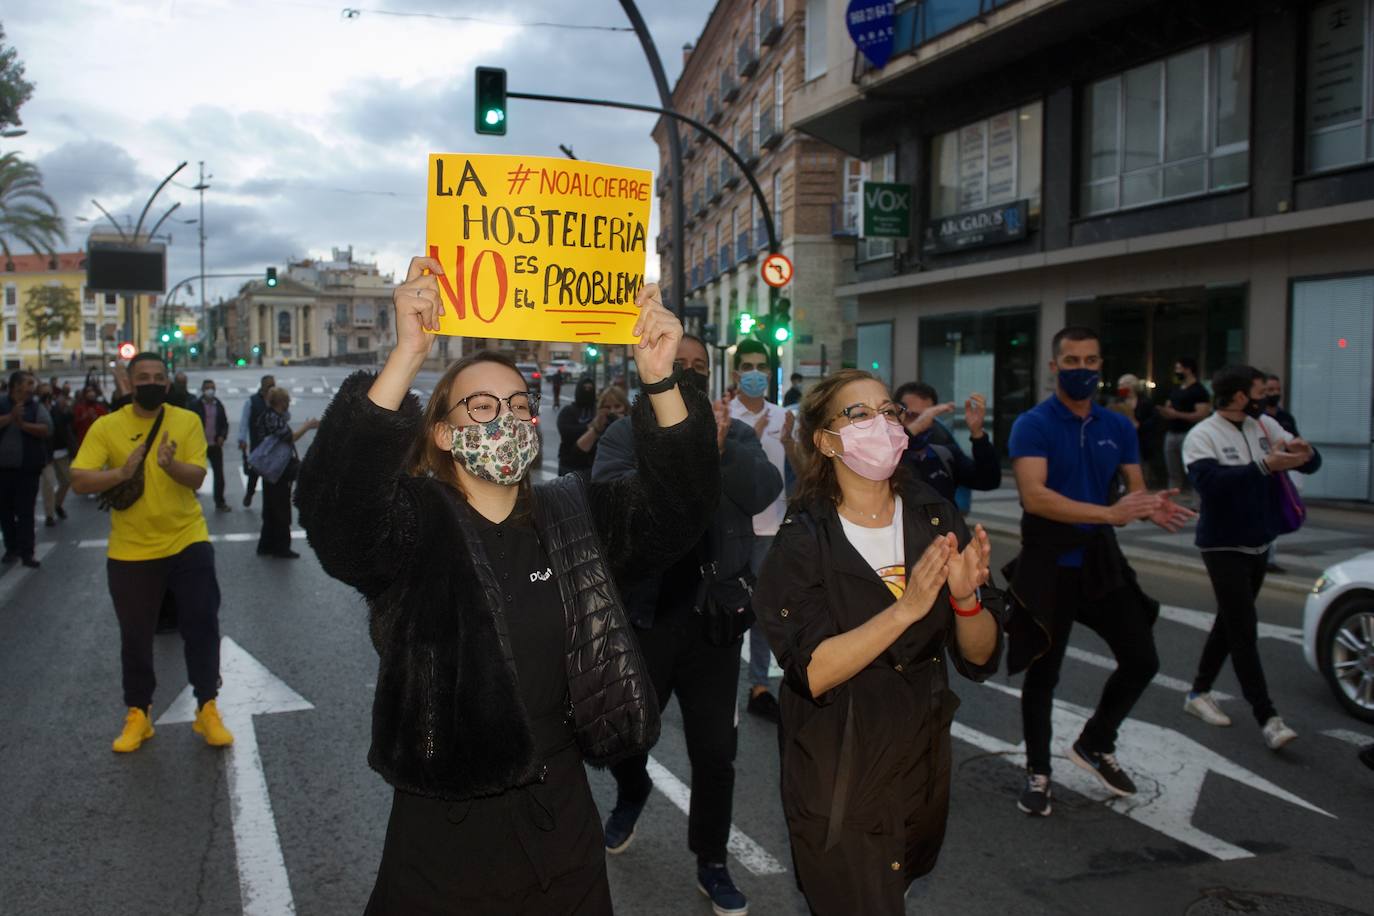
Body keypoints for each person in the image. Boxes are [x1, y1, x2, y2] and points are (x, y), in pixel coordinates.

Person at [295, 265, 717, 915]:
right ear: (442, 432)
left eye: (519, 405)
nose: (507, 418)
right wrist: (407, 354)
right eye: (483, 406)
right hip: (441, 833)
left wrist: (659, 379)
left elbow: (678, 511)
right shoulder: (411, 529)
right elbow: (335, 514)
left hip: (561, 820)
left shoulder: (576, 519)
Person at [752, 368, 1001, 915]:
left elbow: (980, 656)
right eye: (859, 415)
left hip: (920, 766)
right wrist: (906, 609)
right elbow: (812, 670)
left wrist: (965, 601)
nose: (881, 424)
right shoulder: (803, 539)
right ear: (826, 440)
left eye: (889, 412)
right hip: (839, 773)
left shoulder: (935, 515)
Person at [594, 333, 781, 916]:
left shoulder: (739, 435)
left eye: (698, 367)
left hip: (714, 622)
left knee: (715, 752)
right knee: (628, 735)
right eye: (677, 366)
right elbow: (612, 501)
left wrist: (718, 449)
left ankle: (712, 860)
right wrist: (683, 451)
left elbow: (764, 492)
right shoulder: (626, 432)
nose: (688, 374)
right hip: (645, 617)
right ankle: (632, 791)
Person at [1005, 326, 1193, 817]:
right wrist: (1110, 513)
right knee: (1043, 673)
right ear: (1054, 366)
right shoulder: (1033, 424)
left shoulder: (1118, 427)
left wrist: (1152, 505)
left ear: (1100, 364)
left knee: (1142, 657)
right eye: (1072, 361)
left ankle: (1094, 742)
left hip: (1099, 561)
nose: (1082, 370)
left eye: (1090, 361)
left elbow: (1135, 485)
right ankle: (1038, 773)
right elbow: (1035, 496)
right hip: (1048, 562)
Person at [68, 351, 233, 753]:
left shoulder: (186, 420)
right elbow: (79, 479)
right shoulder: (108, 426)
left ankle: (206, 707)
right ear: (129, 380)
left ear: (168, 382)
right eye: (143, 376)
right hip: (131, 551)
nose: (152, 383)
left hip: (186, 539)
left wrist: (170, 465)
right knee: (136, 636)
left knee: (201, 623)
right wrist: (121, 473)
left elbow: (197, 476)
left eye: (159, 376)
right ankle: (138, 713)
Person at [1180, 366, 1321, 749]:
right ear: (1241, 395)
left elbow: (1307, 460)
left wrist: (1305, 454)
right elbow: (1209, 484)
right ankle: (1267, 716)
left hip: (1259, 541)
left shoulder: (1265, 427)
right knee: (1243, 627)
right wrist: (1263, 466)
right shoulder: (1202, 436)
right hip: (1222, 544)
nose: (1267, 396)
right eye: (1260, 390)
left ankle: (1198, 693)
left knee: (1229, 620)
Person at [728, 339, 796, 723]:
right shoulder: (725, 415)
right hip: (734, 531)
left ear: (770, 372)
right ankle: (722, 682)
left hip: (773, 528)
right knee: (732, 607)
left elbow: (797, 473)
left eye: (762, 367)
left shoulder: (784, 416)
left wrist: (789, 442)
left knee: (765, 611)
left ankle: (759, 686)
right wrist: (747, 440)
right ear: (737, 373)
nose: (756, 374)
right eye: (748, 367)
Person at [893, 381, 1001, 506]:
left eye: (927, 416)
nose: (922, 421)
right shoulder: (887, 455)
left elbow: (989, 481)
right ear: (896, 413)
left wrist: (978, 434)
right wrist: (915, 428)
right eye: (911, 415)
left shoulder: (943, 452)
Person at [252, 387, 317, 558]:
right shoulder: (273, 418)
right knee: (280, 509)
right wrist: (307, 426)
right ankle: (281, 547)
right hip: (277, 468)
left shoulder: (269, 416)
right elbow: (290, 437)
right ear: (281, 402)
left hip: (270, 468)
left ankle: (266, 545)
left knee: (271, 508)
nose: (289, 404)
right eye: (287, 401)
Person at [0, 371, 53, 567]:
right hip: (3, 469)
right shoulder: (2, 403)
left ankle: (27, 552)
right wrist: (10, 417)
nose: (32, 387)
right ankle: (10, 548)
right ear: (16, 386)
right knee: (4, 511)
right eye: (28, 383)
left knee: (25, 512)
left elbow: (47, 429)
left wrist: (23, 424)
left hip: (27, 469)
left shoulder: (36, 407)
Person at [1260, 373, 1299, 573]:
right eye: (1269, 390)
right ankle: (1263, 556)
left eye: (1277, 390)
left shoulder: (1285, 418)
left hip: (1282, 472)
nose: (1274, 394)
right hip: (1264, 474)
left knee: (1277, 512)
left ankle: (1269, 556)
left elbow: (1295, 443)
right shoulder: (1257, 420)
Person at [1159, 356, 1211, 494]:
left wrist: (1178, 415)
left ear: (1188, 369)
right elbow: (1168, 406)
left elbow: (1202, 414)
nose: (1176, 371)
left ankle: (1196, 503)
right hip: (1172, 433)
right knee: (1173, 472)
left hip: (1188, 434)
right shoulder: (1176, 389)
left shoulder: (1199, 391)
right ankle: (1173, 500)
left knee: (1192, 470)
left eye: (1178, 368)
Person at [191, 378, 232, 512]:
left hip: (215, 445)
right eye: (208, 388)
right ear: (203, 390)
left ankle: (220, 502)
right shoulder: (195, 405)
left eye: (212, 388)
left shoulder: (218, 404)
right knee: (194, 472)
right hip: (199, 445)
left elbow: (224, 423)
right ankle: (190, 499)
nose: (210, 391)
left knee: (219, 474)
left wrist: (222, 436)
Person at [41, 386, 76, 526]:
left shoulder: (57, 409)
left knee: (67, 480)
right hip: (45, 454)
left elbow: (66, 421)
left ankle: (57, 504)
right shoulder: (36, 409)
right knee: (48, 484)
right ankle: (49, 515)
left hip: (60, 450)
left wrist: (67, 409)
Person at [238, 374, 275, 507]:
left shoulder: (276, 400)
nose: (272, 388)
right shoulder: (252, 401)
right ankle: (250, 493)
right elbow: (244, 421)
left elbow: (285, 416)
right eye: (270, 385)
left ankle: (269, 501)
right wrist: (242, 439)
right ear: (263, 386)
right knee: (254, 472)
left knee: (270, 474)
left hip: (273, 445)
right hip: (257, 443)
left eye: (273, 385)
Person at [556, 376, 602, 477]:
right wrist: (589, 428)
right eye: (585, 388)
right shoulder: (568, 411)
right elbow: (566, 431)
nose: (587, 391)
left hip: (593, 464)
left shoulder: (598, 410)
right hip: (570, 463)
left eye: (590, 388)